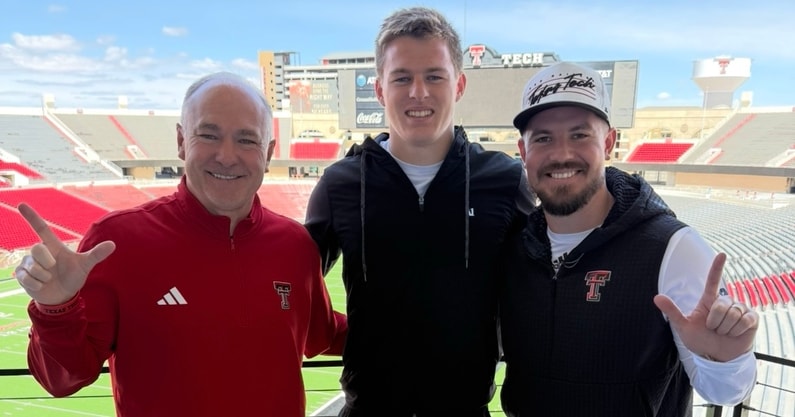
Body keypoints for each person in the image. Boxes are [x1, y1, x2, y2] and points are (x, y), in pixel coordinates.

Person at [14, 72, 347, 417]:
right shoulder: (118, 241)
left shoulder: (295, 245)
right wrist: (56, 308)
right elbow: (61, 380)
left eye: (247, 140)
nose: (227, 155)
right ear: (181, 141)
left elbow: (324, 333)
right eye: (208, 135)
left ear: (269, 152)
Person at [304, 6, 534, 417]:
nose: (418, 92)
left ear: (458, 84)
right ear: (380, 90)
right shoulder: (340, 184)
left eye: (434, 76)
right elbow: (291, 285)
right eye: (402, 78)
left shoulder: (504, 179)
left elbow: (545, 286)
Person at [499, 61, 758, 416]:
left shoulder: (673, 248)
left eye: (579, 135)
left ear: (608, 142)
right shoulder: (515, 248)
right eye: (543, 138)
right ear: (524, 152)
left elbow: (725, 392)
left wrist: (724, 360)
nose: (561, 154)